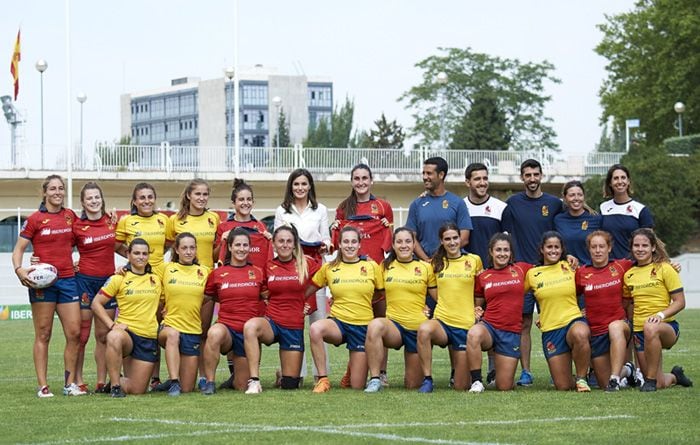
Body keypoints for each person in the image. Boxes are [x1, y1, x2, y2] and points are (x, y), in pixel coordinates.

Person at [12, 175, 83, 397]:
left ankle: (69, 384)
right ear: (45, 192)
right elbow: (18, 250)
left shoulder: (70, 216)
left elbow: (83, 239)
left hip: (68, 280)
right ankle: (43, 386)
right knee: (44, 333)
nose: (57, 192)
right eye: (52, 188)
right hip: (42, 283)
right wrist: (20, 269)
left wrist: (81, 260)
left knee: (74, 333)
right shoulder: (34, 219)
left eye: (61, 188)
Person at [501, 159, 563, 386]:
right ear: (522, 178)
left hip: (551, 272)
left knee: (556, 321)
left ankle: (561, 367)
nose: (532, 178)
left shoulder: (555, 204)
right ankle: (526, 371)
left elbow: (567, 223)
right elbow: (505, 236)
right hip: (524, 274)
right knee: (524, 323)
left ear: (541, 175)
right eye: (527, 175)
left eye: (535, 174)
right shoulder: (513, 204)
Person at [333, 163, 393, 387]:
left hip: (375, 276)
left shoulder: (383, 206)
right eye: (356, 178)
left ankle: (382, 372)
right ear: (351, 181)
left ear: (371, 180)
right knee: (355, 325)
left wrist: (389, 228)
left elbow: (390, 242)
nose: (361, 182)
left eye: (364, 178)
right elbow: (336, 240)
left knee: (379, 324)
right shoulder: (343, 208)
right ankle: (353, 370)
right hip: (351, 278)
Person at [243, 225, 320, 394]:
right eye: (281, 241)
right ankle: (254, 381)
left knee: (290, 385)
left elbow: (324, 278)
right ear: (274, 244)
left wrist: (307, 300)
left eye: (289, 241)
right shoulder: (268, 265)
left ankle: (282, 375)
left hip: (293, 326)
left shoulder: (307, 263)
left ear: (294, 244)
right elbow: (262, 290)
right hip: (272, 322)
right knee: (250, 326)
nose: (285, 245)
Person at [213, 178, 272, 390]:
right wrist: (222, 241)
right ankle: (234, 373)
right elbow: (215, 256)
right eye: (241, 199)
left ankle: (251, 373)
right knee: (232, 324)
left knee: (252, 329)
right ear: (233, 202)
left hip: (256, 287)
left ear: (253, 202)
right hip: (233, 287)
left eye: (249, 199)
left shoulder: (260, 227)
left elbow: (269, 257)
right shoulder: (224, 227)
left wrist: (270, 239)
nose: (245, 203)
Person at [307, 226, 382, 392]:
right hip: (338, 323)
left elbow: (381, 294)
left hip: (363, 327)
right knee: (315, 328)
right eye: (345, 241)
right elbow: (309, 289)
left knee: (356, 386)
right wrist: (301, 303)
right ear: (339, 244)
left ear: (359, 245)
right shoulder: (329, 268)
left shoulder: (371, 266)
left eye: (354, 241)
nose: (350, 245)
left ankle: (351, 371)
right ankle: (323, 379)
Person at [364, 227, 437, 393]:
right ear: (393, 245)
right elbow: (374, 292)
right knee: (375, 325)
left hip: (417, 330)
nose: (404, 245)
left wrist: (431, 312)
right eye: (399, 242)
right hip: (394, 327)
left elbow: (438, 297)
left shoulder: (425, 267)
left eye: (408, 241)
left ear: (413, 245)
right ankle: (375, 379)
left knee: (413, 384)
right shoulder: (384, 266)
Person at [274, 168, 331, 380]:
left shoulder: (321, 210)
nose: (300, 188)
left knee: (317, 323)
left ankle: (320, 374)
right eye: (296, 184)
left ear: (310, 187)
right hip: (292, 273)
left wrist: (325, 245)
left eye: (304, 184)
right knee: (294, 322)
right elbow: (279, 241)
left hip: (315, 270)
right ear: (291, 186)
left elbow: (326, 238)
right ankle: (295, 373)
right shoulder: (282, 210)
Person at [416, 223, 483, 392]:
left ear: (461, 238)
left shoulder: (474, 260)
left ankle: (456, 372)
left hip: (465, 324)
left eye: (455, 238)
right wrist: (425, 306)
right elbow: (429, 290)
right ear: (441, 241)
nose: (452, 242)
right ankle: (427, 379)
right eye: (447, 239)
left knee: (461, 386)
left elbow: (480, 290)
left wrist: (477, 308)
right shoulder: (435, 264)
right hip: (443, 322)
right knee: (424, 330)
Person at [623, 228, 692, 391]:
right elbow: (628, 304)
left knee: (651, 326)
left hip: (665, 328)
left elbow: (680, 302)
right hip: (640, 331)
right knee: (661, 383)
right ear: (632, 248)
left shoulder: (665, 268)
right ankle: (675, 376)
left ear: (653, 247)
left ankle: (650, 381)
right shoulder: (629, 275)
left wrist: (660, 315)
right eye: (636, 245)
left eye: (644, 245)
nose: (640, 249)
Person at [91, 238, 162, 397]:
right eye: (136, 253)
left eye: (144, 254)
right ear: (128, 254)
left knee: (137, 390)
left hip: (148, 337)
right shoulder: (119, 278)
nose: (141, 257)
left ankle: (116, 383)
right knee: (114, 336)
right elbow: (96, 303)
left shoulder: (156, 279)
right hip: (127, 334)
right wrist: (112, 325)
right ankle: (116, 386)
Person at [524, 231, 591, 392]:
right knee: (563, 386)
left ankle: (582, 378)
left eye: (557, 247)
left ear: (562, 250)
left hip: (572, 321)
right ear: (542, 249)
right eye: (549, 247)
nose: (553, 250)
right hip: (551, 329)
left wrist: (590, 309)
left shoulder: (570, 266)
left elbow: (591, 285)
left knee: (580, 333)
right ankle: (573, 378)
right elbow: (512, 293)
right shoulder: (532, 274)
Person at [200, 228, 265, 393]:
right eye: (237, 245)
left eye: (245, 245)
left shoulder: (257, 272)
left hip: (247, 335)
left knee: (241, 386)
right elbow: (205, 299)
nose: (241, 249)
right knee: (214, 333)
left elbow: (271, 297)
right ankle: (210, 382)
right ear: (229, 247)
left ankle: (235, 379)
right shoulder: (217, 274)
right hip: (226, 329)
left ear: (250, 248)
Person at [468, 233, 531, 392]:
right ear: (491, 252)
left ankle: (500, 374)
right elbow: (478, 303)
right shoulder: (483, 276)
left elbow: (547, 270)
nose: (502, 253)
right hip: (490, 327)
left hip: (511, 332)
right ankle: (477, 382)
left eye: (506, 250)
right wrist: (476, 309)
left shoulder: (522, 269)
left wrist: (569, 260)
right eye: (498, 250)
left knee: (504, 386)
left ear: (511, 253)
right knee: (474, 333)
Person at [463, 162, 507, 385]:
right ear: (468, 182)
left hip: (494, 277)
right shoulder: (460, 207)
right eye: (477, 179)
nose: (482, 183)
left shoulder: (500, 208)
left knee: (493, 320)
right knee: (468, 321)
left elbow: (506, 243)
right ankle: (461, 371)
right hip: (467, 277)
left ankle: (492, 368)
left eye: (485, 178)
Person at [575, 230, 634, 391]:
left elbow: (647, 262)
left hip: (620, 326)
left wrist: (670, 264)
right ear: (589, 249)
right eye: (594, 247)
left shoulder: (622, 266)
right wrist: (579, 311)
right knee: (603, 383)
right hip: (596, 332)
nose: (598, 250)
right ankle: (628, 370)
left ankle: (615, 378)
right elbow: (571, 295)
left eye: (601, 246)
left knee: (614, 327)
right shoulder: (581, 273)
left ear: (609, 248)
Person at [72, 182, 117, 394]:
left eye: (97, 197)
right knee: (81, 335)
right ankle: (78, 380)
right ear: (83, 202)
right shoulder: (77, 225)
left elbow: (124, 246)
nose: (93, 201)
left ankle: (101, 381)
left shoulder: (112, 220)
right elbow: (59, 246)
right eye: (89, 198)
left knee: (103, 335)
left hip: (107, 283)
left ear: (102, 198)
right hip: (84, 282)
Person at [153, 233, 210, 396]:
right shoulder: (165, 269)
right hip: (169, 327)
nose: (188, 252)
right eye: (184, 248)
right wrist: (123, 269)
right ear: (176, 249)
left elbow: (209, 296)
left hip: (192, 331)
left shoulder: (203, 272)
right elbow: (142, 276)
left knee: (188, 388)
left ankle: (175, 383)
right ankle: (173, 382)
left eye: (192, 248)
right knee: (173, 335)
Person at [406, 157, 472, 262]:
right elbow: (411, 238)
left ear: (441, 175)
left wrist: (441, 258)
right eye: (423, 173)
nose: (424, 177)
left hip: (451, 264)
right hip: (425, 265)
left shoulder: (458, 203)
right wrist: (427, 260)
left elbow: (464, 238)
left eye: (429, 173)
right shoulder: (416, 204)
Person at [600, 164, 654, 260]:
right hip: (610, 268)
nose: (620, 181)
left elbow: (651, 242)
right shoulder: (603, 208)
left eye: (623, 178)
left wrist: (666, 262)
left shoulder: (641, 209)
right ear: (610, 183)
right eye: (616, 178)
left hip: (634, 266)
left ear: (628, 181)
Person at [115, 182, 171, 270]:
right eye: (142, 198)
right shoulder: (126, 221)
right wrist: (133, 257)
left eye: (150, 197)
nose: (147, 201)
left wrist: (156, 257)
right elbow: (115, 247)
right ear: (134, 202)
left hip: (160, 273)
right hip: (136, 272)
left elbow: (169, 244)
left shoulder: (164, 219)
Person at [168, 179, 220, 269]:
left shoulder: (214, 218)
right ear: (188, 195)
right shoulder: (175, 219)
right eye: (197, 194)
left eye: (205, 194)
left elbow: (215, 254)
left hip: (207, 274)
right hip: (184, 275)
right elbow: (168, 248)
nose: (202, 198)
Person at [554, 180, 602, 265]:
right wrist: (565, 256)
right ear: (565, 198)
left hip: (589, 270)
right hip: (565, 271)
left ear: (584, 197)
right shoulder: (558, 220)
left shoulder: (596, 218)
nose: (576, 198)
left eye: (579, 195)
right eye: (572, 195)